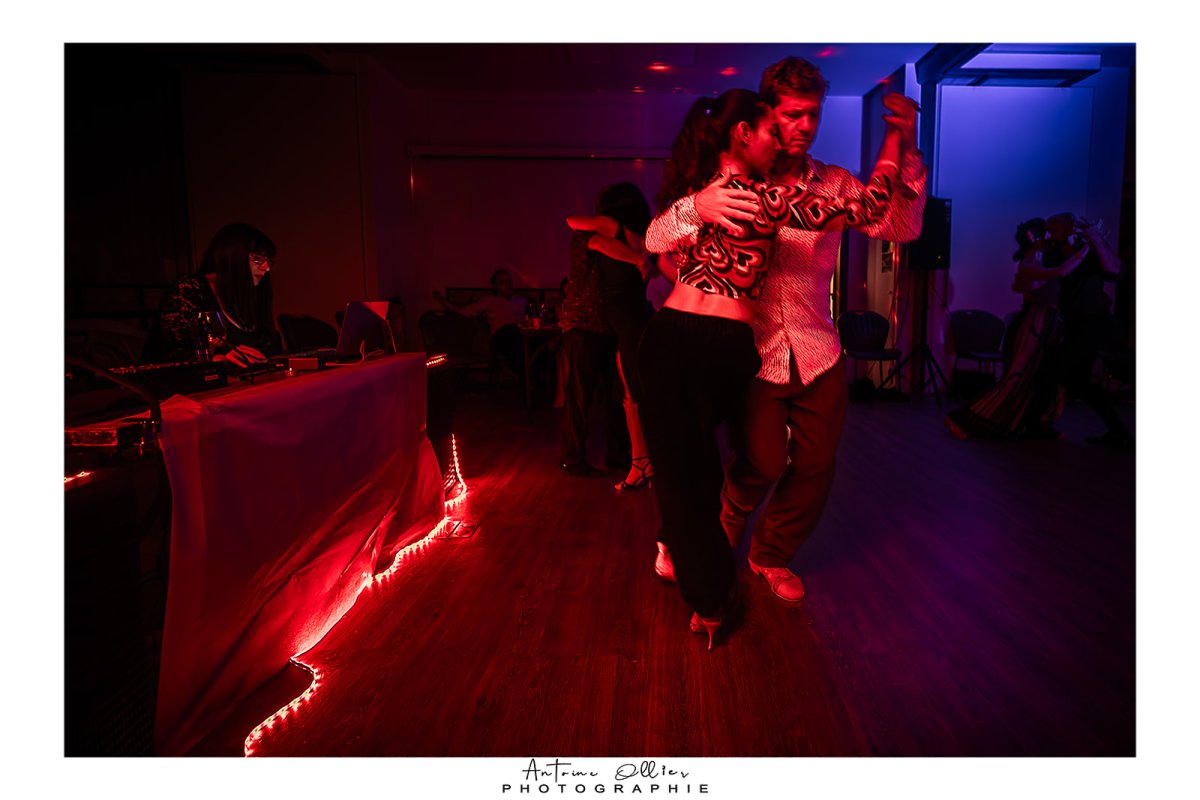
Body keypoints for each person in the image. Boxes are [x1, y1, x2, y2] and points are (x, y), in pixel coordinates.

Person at [648, 57, 927, 609]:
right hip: (751, 352)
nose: (803, 127)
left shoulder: (835, 184)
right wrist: (696, 212)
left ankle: (771, 554)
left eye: (813, 115)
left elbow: (901, 225)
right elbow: (659, 244)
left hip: (818, 345)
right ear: (764, 118)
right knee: (761, 462)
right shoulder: (734, 180)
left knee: (817, 465)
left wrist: (907, 146)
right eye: (792, 115)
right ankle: (717, 535)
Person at [944, 218, 1091, 440]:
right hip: (1034, 325)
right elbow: (1061, 272)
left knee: (1030, 379)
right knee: (1015, 378)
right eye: (1046, 233)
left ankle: (1030, 424)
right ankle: (961, 420)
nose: (1050, 238)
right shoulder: (1029, 263)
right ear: (1035, 238)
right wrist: (1089, 246)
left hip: (1044, 324)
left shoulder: (1038, 261)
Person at [566, 182, 656, 491]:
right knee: (621, 393)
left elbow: (572, 221)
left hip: (605, 321)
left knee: (623, 394)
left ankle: (636, 461)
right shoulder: (639, 238)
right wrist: (638, 259)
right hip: (616, 319)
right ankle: (631, 460)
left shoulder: (609, 228)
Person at [1044, 213, 1133, 448]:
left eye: (1053, 229)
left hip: (1093, 325)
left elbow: (1116, 272)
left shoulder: (1090, 251)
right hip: (1076, 324)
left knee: (1052, 367)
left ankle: (1039, 424)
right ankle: (1119, 432)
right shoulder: (1057, 253)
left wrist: (1095, 239)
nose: (1049, 234)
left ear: (1069, 230)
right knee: (1080, 382)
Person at [141, 222, 282, 367]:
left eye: (268, 261)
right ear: (232, 257)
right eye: (258, 259)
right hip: (184, 380)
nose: (266, 268)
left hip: (244, 379)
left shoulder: (254, 295)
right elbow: (171, 353)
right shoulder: (191, 289)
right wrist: (218, 358)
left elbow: (272, 346)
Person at [559, 201, 631, 478]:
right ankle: (573, 458)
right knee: (580, 398)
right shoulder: (587, 237)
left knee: (613, 397)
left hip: (606, 328)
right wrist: (638, 258)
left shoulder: (613, 243)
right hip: (582, 327)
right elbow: (594, 239)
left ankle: (616, 455)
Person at [433, 269, 527, 378]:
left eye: (509, 281)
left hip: (522, 335)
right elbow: (463, 311)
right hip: (501, 337)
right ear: (495, 286)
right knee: (512, 334)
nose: (508, 285)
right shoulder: (489, 300)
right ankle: (517, 373)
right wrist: (442, 300)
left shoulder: (521, 300)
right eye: (503, 282)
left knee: (526, 340)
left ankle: (525, 376)